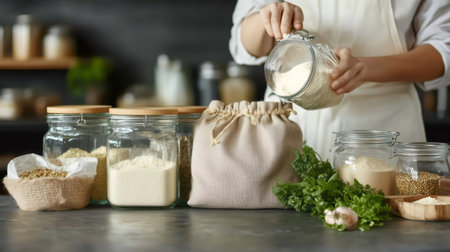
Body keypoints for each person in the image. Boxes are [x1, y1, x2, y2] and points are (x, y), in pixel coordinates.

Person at [229, 0, 450, 161]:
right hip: (290, 128)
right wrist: (267, 19)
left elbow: (443, 50)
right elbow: (243, 42)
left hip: (382, 138)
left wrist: (365, 68)